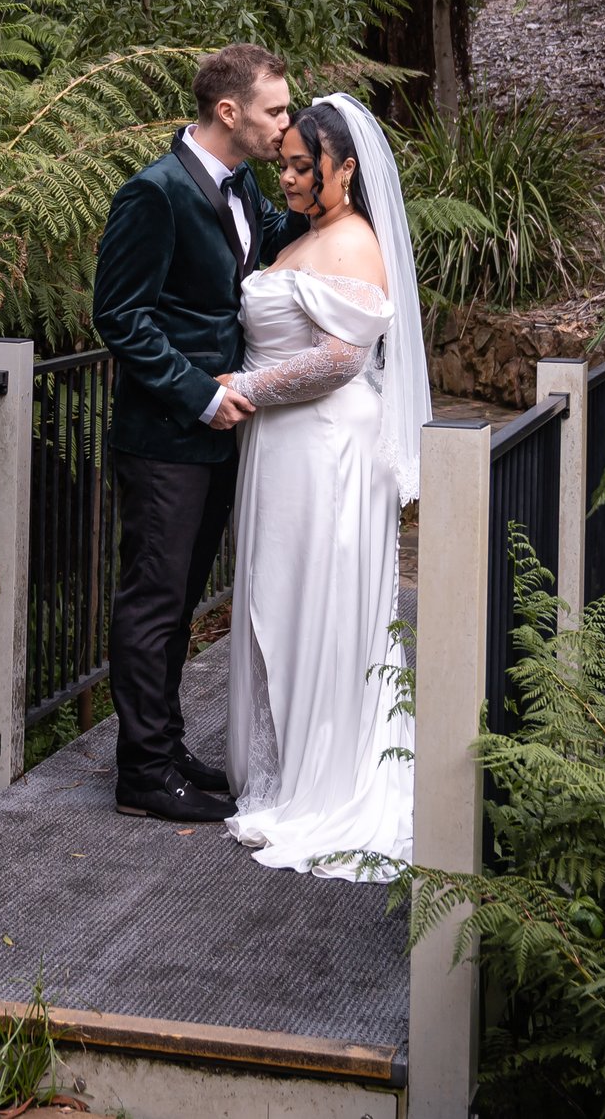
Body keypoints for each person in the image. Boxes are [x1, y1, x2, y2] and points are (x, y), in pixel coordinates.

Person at [215, 95, 428, 879]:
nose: (292, 178)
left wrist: (243, 386)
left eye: (306, 166)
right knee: (282, 598)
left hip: (328, 445)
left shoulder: (355, 241)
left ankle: (327, 776)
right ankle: (290, 765)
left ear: (346, 167)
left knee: (316, 602)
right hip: (288, 445)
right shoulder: (311, 235)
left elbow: (340, 360)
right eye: (286, 165)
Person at [90, 44, 303, 824]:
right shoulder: (153, 193)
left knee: (179, 601)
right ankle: (142, 770)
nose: (285, 123)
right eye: (276, 110)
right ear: (229, 111)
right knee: (153, 599)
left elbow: (265, 244)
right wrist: (198, 396)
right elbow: (120, 316)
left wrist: (343, 198)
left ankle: (167, 744)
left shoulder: (240, 181)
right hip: (166, 437)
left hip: (219, 433)